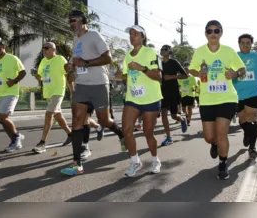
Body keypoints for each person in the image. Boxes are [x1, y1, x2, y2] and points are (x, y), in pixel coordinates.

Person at [61, 10, 125, 176]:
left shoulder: (94, 35)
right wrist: (69, 67)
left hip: (98, 84)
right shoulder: (76, 39)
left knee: (104, 120)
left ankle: (121, 134)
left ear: (83, 20)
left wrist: (86, 63)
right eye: (69, 21)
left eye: (73, 20)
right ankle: (77, 163)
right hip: (81, 85)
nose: (71, 23)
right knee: (77, 120)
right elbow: (73, 63)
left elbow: (108, 58)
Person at [189, 20, 246, 180]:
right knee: (209, 137)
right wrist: (198, 73)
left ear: (221, 32)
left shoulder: (228, 51)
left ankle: (223, 163)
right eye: (209, 31)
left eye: (216, 30)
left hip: (227, 98)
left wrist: (235, 74)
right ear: (205, 33)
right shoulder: (199, 52)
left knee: (222, 133)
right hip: (207, 99)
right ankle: (214, 144)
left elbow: (242, 69)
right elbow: (191, 69)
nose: (213, 33)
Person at [118, 25, 163, 177]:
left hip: (151, 98)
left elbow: (159, 76)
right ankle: (135, 162)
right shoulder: (127, 56)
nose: (132, 36)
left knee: (148, 132)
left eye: (135, 34)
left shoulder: (151, 52)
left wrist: (141, 68)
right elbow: (125, 75)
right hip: (133, 97)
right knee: (127, 130)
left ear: (143, 36)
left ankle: (155, 159)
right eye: (130, 34)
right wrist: (119, 74)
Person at [31, 42, 73, 154]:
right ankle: (71, 134)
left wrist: (73, 91)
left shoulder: (60, 59)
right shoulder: (43, 61)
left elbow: (67, 75)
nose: (44, 50)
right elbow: (40, 77)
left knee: (49, 113)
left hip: (58, 91)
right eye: (43, 48)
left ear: (53, 49)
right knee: (58, 116)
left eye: (46, 48)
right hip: (48, 92)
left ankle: (42, 143)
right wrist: (36, 75)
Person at [159, 45, 188, 146]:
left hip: (173, 91)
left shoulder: (174, 63)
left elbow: (185, 75)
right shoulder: (159, 63)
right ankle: (168, 137)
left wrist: (171, 77)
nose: (163, 51)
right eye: (162, 49)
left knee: (174, 115)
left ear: (170, 51)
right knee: (163, 114)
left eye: (165, 49)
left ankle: (182, 119)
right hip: (162, 91)